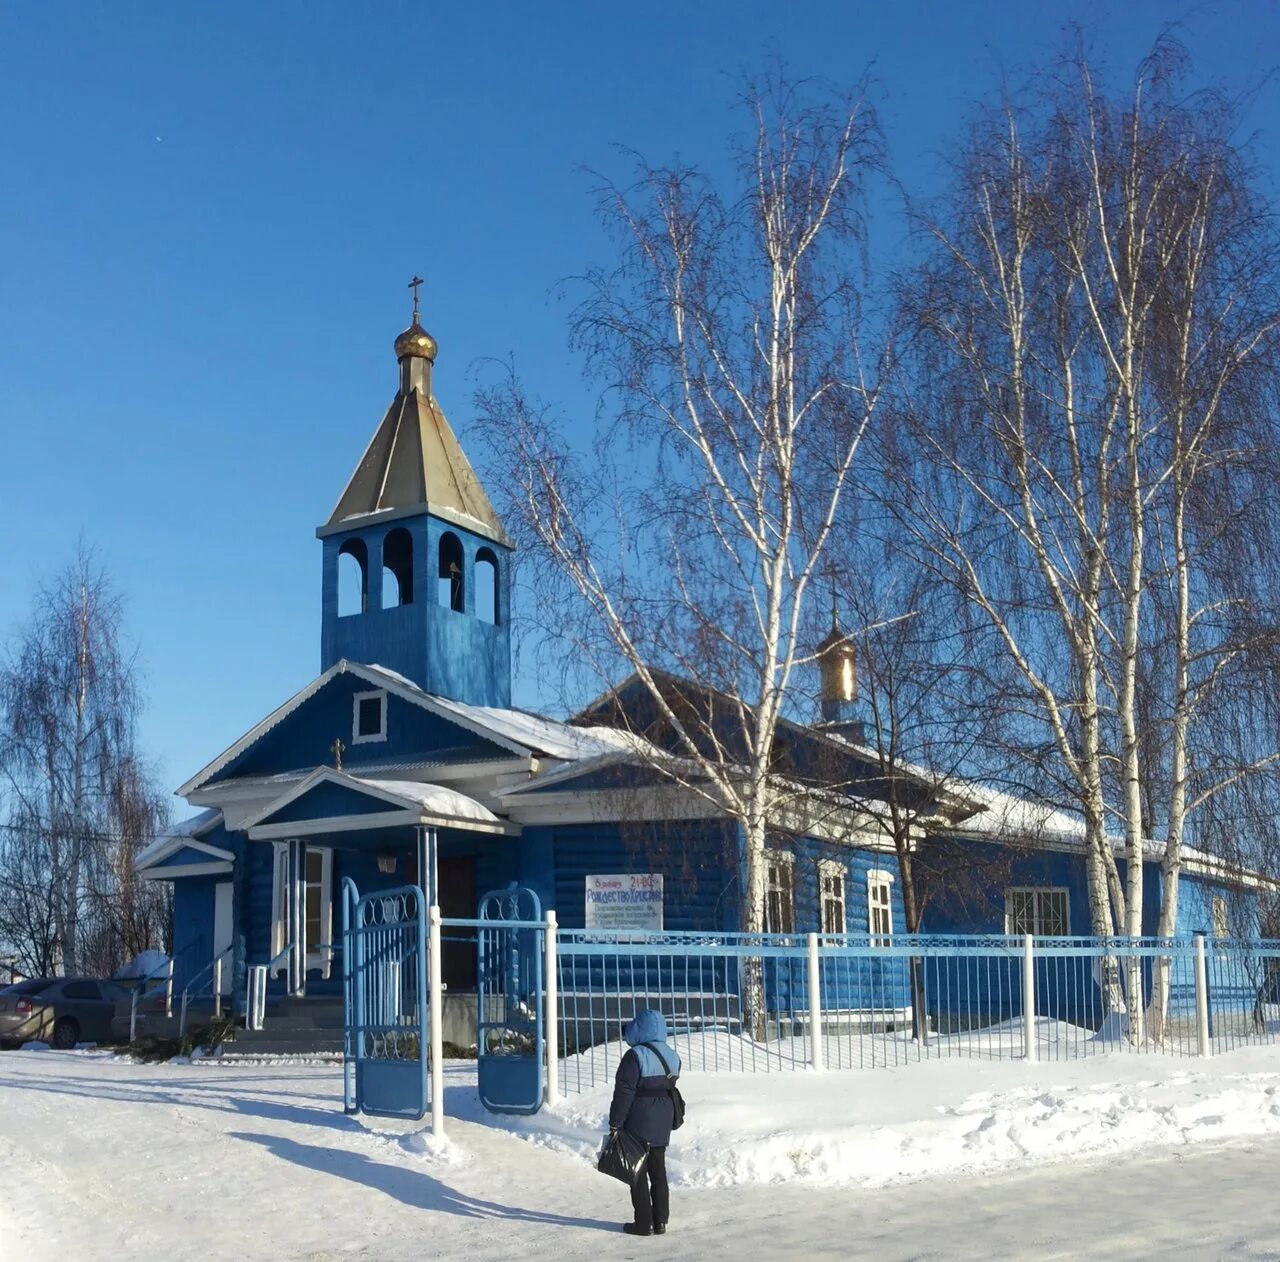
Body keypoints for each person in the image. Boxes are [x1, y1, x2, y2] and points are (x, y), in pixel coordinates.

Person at [608, 1008, 682, 1237]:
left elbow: (624, 1092)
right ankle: (661, 1221)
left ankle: (643, 1223)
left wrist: (615, 1123)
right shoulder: (671, 1054)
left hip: (639, 1116)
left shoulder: (635, 1056)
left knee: (637, 1172)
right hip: (663, 1116)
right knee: (658, 1169)